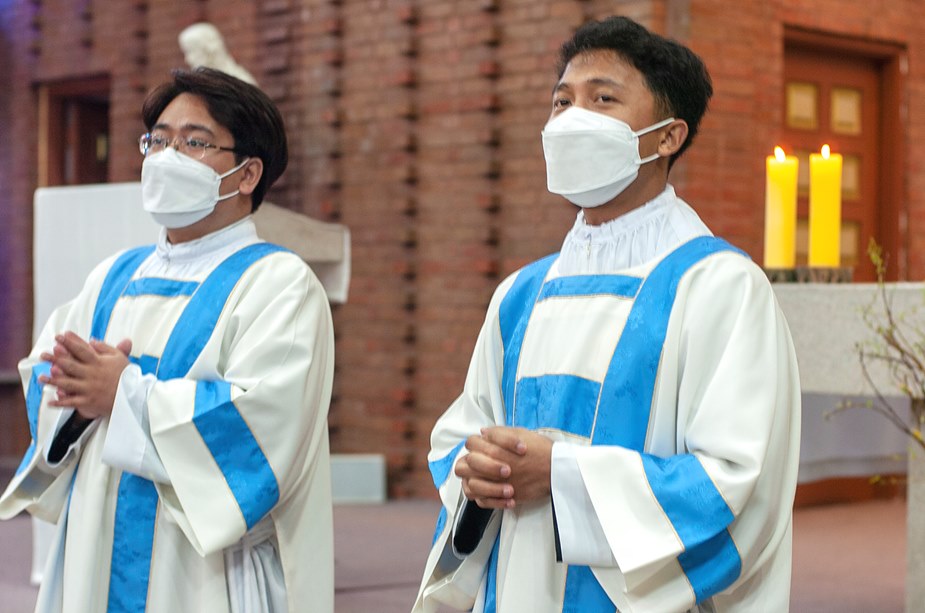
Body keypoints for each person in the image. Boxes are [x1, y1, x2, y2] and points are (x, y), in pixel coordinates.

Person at [414, 16, 800, 613]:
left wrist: (562, 477)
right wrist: (480, 467)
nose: (572, 119)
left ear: (667, 137)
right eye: (562, 101)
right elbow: (463, 432)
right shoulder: (520, 294)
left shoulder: (718, 287)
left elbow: (738, 481)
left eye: (602, 99)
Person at [0, 68, 334, 613]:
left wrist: (123, 395)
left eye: (193, 142)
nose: (166, 157)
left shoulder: (279, 284)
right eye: (157, 141)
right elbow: (47, 373)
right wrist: (78, 400)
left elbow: (265, 426)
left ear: (248, 174)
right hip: (95, 546)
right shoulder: (114, 276)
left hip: (204, 573)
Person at [179, 22, 258, 86]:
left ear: (208, 50)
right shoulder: (201, 85)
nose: (187, 59)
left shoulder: (240, 82)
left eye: (191, 52)